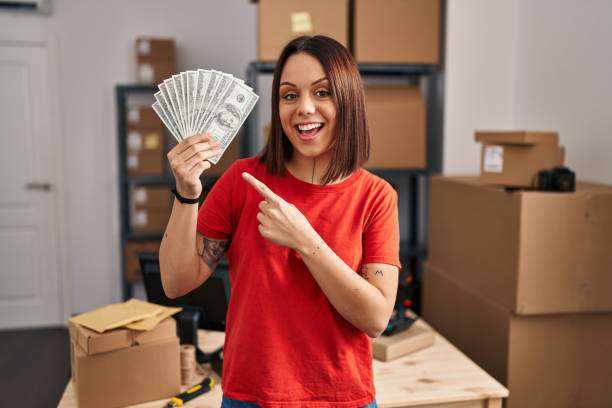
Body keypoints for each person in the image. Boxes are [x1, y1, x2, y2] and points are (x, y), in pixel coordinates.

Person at [160, 35, 401, 408]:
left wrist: (306, 241)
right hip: (251, 396)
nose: (304, 108)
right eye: (289, 95)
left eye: (322, 93)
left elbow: (376, 318)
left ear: (348, 99)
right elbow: (176, 282)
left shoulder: (376, 196)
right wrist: (187, 192)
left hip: (340, 397)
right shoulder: (242, 180)